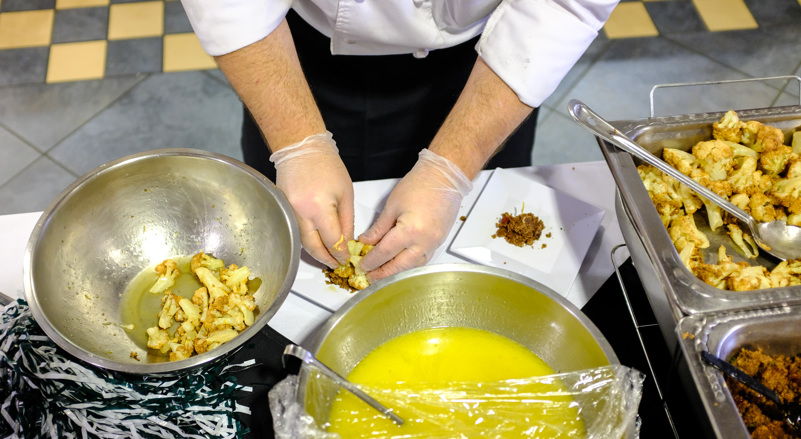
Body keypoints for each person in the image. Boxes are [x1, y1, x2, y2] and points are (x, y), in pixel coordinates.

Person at [180, 0, 619, 283]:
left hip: (487, 70)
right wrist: (299, 143)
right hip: (293, 57)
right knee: (288, 253)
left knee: (478, 262)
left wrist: (449, 169)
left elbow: (564, 6)